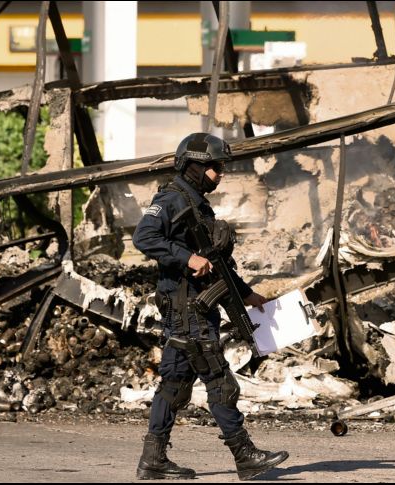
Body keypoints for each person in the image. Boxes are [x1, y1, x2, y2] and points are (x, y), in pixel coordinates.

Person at [131, 133, 289, 481]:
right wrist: (188, 258)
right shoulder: (172, 199)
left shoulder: (198, 203)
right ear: (194, 166)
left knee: (174, 384)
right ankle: (244, 455)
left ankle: (153, 460)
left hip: (190, 307)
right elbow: (144, 237)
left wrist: (247, 295)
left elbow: (216, 264)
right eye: (216, 167)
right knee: (219, 381)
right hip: (188, 308)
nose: (221, 173)